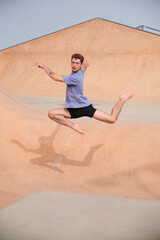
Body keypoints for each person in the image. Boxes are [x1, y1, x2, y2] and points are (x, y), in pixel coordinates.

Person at [35, 53, 134, 134]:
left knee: (112, 119)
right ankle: (73, 126)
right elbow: (83, 69)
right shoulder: (80, 71)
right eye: (73, 62)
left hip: (84, 108)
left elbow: (55, 77)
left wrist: (44, 67)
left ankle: (122, 99)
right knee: (51, 114)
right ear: (70, 63)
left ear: (80, 64)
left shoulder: (74, 77)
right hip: (72, 110)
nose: (74, 65)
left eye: (77, 63)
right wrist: (85, 65)